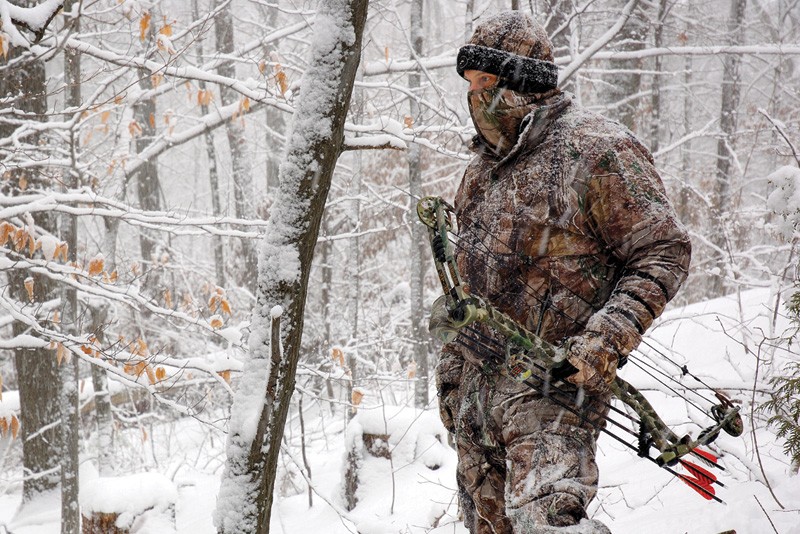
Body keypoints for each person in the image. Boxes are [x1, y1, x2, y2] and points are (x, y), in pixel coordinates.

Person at [435, 12, 692, 534]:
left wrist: (595, 349)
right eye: (469, 84)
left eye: (488, 82)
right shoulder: (481, 168)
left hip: (553, 391)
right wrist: (453, 370)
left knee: (548, 524)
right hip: (476, 402)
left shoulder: (596, 150)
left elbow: (662, 252)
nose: (475, 97)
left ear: (525, 82)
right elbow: (473, 279)